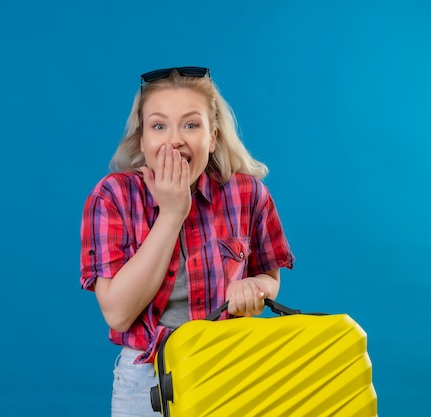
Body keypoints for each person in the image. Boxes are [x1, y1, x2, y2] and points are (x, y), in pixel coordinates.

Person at [79, 66, 294, 417]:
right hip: (147, 383)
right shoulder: (113, 197)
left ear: (212, 137)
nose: (174, 139)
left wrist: (254, 289)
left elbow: (270, 281)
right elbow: (118, 313)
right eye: (159, 126)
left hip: (231, 372)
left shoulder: (249, 195)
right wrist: (172, 213)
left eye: (191, 125)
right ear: (142, 139)